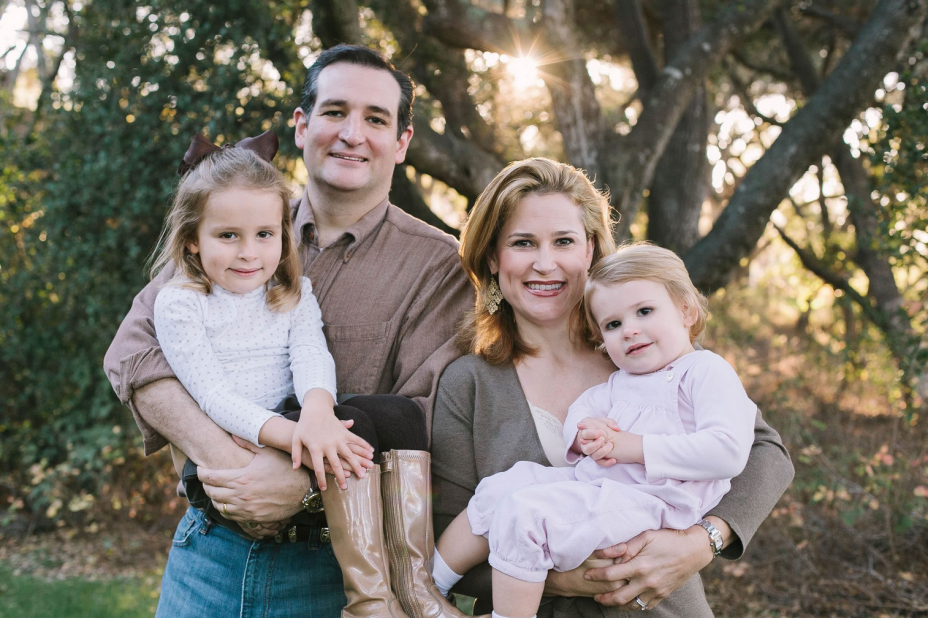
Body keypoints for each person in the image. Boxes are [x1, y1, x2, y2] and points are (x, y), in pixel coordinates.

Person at [104, 45, 471, 618]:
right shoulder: (234, 222)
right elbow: (132, 353)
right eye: (334, 112)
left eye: (376, 119)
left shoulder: (438, 265)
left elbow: (424, 412)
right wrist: (222, 460)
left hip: (338, 569)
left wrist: (298, 479)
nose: (352, 133)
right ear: (302, 126)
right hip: (208, 551)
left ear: (401, 142)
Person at [431, 158, 795, 616]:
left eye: (564, 241)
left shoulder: (649, 352)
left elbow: (765, 453)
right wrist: (561, 580)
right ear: (492, 258)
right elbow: (455, 542)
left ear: (590, 250)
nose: (545, 263)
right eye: (523, 243)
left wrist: (704, 540)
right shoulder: (470, 384)